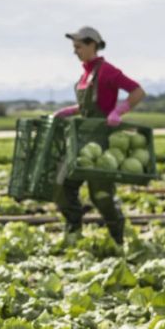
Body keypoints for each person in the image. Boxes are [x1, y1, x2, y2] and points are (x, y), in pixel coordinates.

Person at [52, 26, 146, 244]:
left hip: (102, 142)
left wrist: (119, 111)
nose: (75, 51)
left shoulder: (107, 71)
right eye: (74, 47)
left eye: (78, 47)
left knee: (100, 195)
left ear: (92, 45)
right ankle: (73, 228)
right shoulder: (86, 73)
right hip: (81, 139)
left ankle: (117, 237)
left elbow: (137, 91)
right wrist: (71, 110)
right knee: (61, 184)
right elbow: (89, 104)